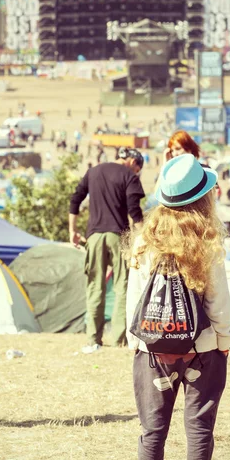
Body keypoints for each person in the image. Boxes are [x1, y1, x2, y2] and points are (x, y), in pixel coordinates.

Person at [126, 154, 230, 460]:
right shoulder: (206, 239)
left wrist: (134, 341)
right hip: (201, 350)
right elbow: (217, 299)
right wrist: (222, 340)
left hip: (152, 349)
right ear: (202, 197)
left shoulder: (145, 239)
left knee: (152, 429)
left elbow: (134, 297)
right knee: (199, 427)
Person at [69, 148, 145, 353]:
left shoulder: (93, 172)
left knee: (95, 286)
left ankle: (93, 338)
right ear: (132, 161)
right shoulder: (129, 175)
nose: (137, 172)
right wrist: (143, 238)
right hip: (118, 236)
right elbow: (134, 210)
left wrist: (72, 230)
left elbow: (75, 200)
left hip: (94, 236)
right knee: (122, 287)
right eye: (138, 168)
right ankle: (120, 339)